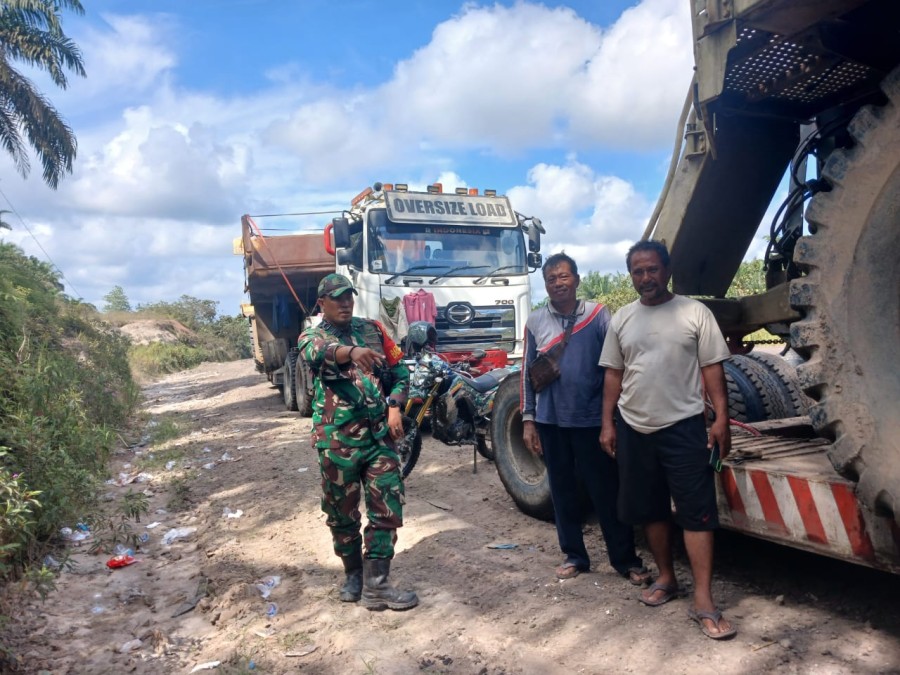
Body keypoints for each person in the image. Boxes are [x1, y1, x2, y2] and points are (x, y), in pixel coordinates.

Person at [599, 240, 736, 640]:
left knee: (697, 513)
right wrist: (607, 423)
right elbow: (613, 374)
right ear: (631, 275)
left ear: (667, 270)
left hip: (684, 426)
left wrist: (721, 418)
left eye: (653, 269)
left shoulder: (694, 312)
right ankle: (666, 578)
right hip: (634, 428)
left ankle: (705, 601)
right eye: (638, 271)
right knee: (651, 510)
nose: (646, 278)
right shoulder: (622, 319)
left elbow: (713, 369)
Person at [521, 252, 649, 584]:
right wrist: (529, 420)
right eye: (551, 279)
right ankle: (574, 556)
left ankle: (625, 560)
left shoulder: (597, 314)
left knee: (605, 491)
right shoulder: (535, 321)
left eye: (564, 276)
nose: (558, 283)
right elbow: (526, 374)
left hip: (591, 419)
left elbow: (614, 364)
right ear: (545, 285)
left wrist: (614, 417)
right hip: (551, 422)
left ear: (576, 279)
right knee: (562, 492)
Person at [298, 273, 418, 611]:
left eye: (348, 296)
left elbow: (400, 372)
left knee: (387, 507)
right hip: (338, 442)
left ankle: (377, 584)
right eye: (337, 298)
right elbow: (316, 353)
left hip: (379, 436)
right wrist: (351, 352)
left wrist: (395, 406)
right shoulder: (313, 334)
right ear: (322, 304)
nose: (346, 302)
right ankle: (353, 574)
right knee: (342, 514)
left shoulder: (374, 329)